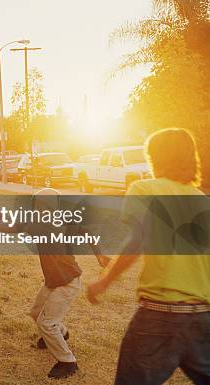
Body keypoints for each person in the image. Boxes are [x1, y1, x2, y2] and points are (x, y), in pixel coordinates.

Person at [87, 128, 210, 385]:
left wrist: (103, 282)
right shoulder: (202, 200)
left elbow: (137, 241)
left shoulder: (144, 189)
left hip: (159, 317)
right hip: (202, 318)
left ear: (154, 158)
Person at [15, 188, 111, 379]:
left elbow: (88, 233)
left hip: (68, 282)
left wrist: (99, 254)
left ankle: (68, 362)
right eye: (38, 205)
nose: (41, 209)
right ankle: (62, 333)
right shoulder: (37, 223)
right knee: (36, 312)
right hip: (53, 281)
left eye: (45, 205)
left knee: (46, 322)